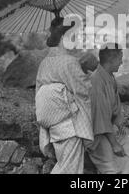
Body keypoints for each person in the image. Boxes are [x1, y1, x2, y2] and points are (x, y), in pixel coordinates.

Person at [35, 17, 94, 174]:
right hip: (70, 124)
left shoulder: (44, 63)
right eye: (74, 35)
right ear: (64, 37)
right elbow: (85, 92)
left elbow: (38, 93)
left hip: (52, 124)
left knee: (65, 165)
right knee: (70, 170)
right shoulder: (69, 62)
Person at [88, 43, 129, 174]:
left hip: (111, 128)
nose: (121, 62)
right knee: (114, 166)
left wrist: (119, 126)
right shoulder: (96, 81)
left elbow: (114, 110)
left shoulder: (110, 77)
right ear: (112, 59)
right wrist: (115, 144)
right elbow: (100, 118)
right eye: (120, 58)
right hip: (97, 135)